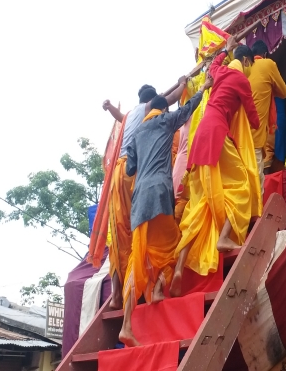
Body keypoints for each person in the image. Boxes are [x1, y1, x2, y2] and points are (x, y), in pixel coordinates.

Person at [118, 80, 210, 347]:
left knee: (139, 257)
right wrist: (203, 88)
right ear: (162, 109)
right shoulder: (164, 121)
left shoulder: (137, 135)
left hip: (138, 204)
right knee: (173, 243)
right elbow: (187, 109)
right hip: (159, 195)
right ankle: (159, 286)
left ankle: (126, 324)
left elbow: (130, 169)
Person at [170, 43, 260, 296]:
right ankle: (224, 238)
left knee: (199, 204)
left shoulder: (221, 73)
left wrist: (225, 49)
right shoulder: (241, 79)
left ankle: (179, 266)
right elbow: (253, 118)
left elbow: (214, 65)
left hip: (201, 134)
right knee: (242, 185)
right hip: (218, 131)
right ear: (246, 62)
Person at [100, 78, 187, 309]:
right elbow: (171, 100)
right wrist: (182, 84)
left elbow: (120, 117)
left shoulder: (130, 115)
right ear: (151, 102)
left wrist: (110, 108)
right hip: (135, 175)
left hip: (117, 174)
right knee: (139, 233)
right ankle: (145, 284)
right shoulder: (150, 110)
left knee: (120, 234)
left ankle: (118, 295)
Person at [248, 40, 286, 196]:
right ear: (264, 54)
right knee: (260, 178)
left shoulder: (245, 70)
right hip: (260, 132)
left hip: (241, 135)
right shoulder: (267, 63)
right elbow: (284, 92)